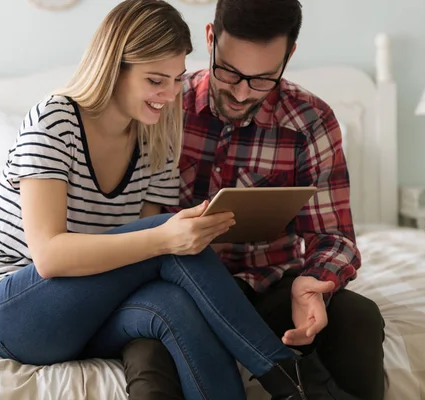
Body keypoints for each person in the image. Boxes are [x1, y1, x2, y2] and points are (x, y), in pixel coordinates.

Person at [0, 1, 351, 399]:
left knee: (173, 301)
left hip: (87, 311)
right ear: (115, 67)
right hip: (7, 309)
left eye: (178, 79)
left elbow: (143, 258)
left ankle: (290, 388)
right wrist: (168, 239)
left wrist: (169, 240)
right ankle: (298, 385)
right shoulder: (55, 120)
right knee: (170, 240)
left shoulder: (158, 134)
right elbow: (49, 256)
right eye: (155, 80)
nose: (169, 95)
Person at [120, 1, 387, 400]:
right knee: (150, 354)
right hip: (177, 297)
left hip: (271, 288)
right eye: (229, 72)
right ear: (210, 39)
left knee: (359, 318)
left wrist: (313, 284)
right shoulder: (162, 105)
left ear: (288, 56)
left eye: (263, 79)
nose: (242, 92)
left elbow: (334, 236)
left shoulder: (309, 121)